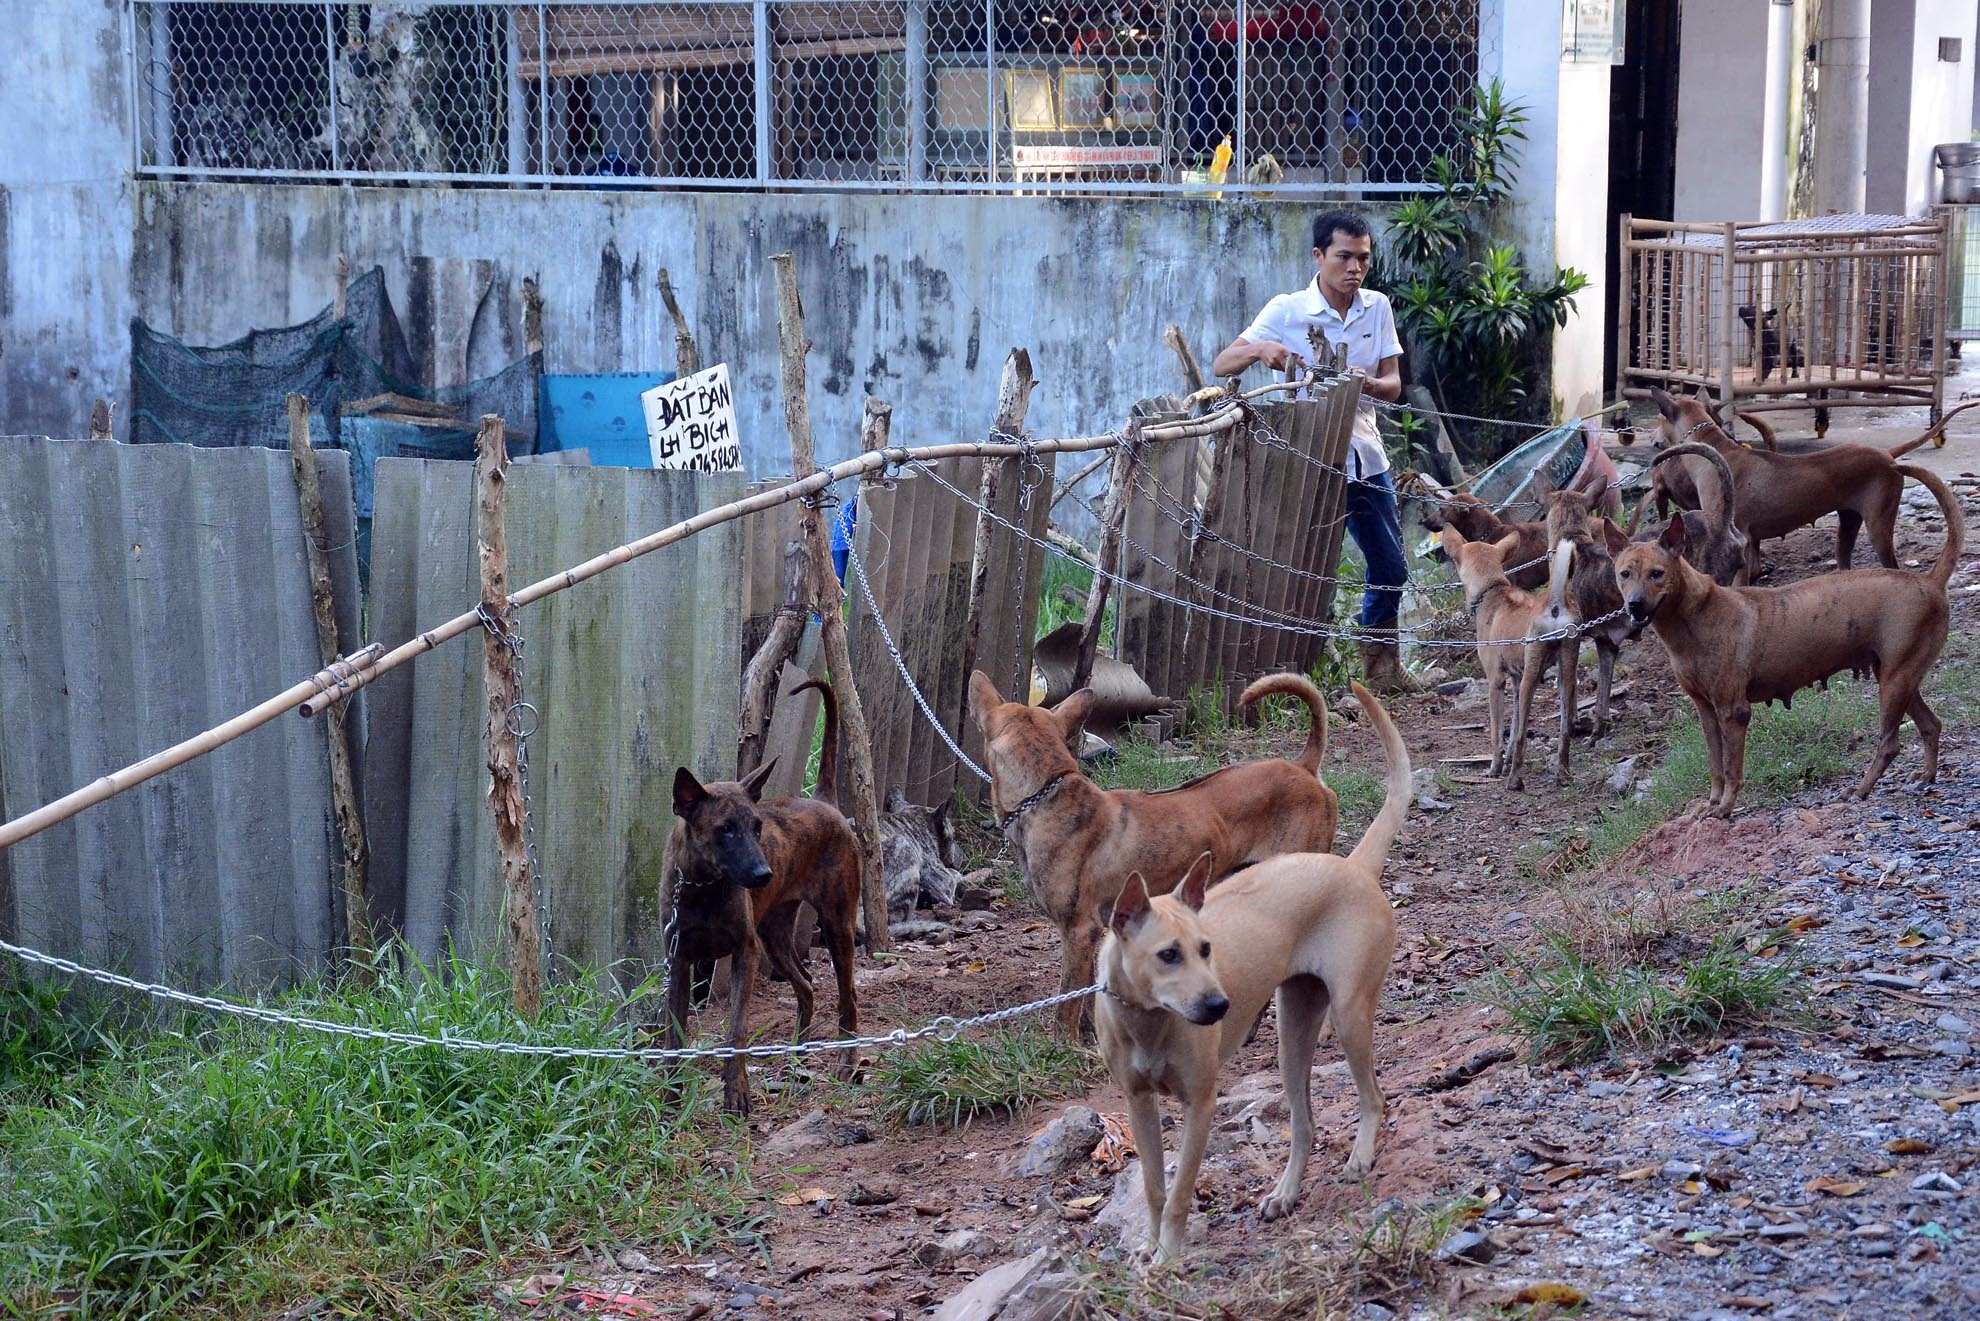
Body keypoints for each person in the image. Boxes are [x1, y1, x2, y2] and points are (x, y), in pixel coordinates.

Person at [1210, 209, 1428, 695]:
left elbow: (1394, 383)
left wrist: (1367, 383)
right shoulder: (1288, 310)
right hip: (1301, 461)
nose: (1355, 268)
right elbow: (1223, 361)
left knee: (1390, 566)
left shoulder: (1377, 308)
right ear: (1318, 255)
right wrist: (1263, 350)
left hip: (1364, 456)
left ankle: (1380, 668)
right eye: (1344, 257)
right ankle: (1291, 674)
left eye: (1364, 259)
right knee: (1297, 571)